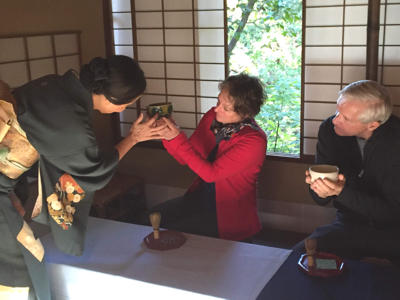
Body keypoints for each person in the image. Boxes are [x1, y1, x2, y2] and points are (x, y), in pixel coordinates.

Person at [0, 55, 166, 300]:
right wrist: (133, 139)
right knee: (22, 262)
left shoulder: (55, 84)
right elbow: (94, 171)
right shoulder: (72, 124)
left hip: (5, 184)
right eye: (129, 103)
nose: (126, 108)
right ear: (113, 98)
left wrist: (9, 191)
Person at [143, 73, 268, 241]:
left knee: (165, 236)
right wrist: (167, 133)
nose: (217, 109)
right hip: (200, 198)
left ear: (245, 112)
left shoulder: (253, 141)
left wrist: (177, 138)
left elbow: (211, 174)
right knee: (146, 220)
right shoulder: (213, 118)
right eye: (218, 101)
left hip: (228, 214)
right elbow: (185, 156)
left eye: (226, 108)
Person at [293, 80, 400, 264]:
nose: (335, 120)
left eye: (346, 118)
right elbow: (320, 199)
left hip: (394, 231)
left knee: (388, 286)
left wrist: (340, 192)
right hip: (348, 226)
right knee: (298, 261)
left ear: (372, 125)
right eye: (337, 111)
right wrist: (320, 187)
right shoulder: (329, 130)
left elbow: (392, 212)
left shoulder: (395, 141)